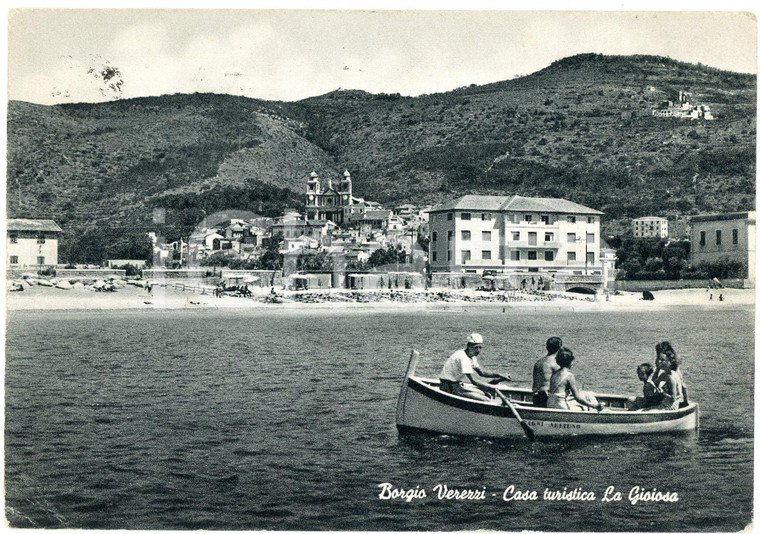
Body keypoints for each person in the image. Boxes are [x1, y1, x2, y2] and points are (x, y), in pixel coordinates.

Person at [440, 333, 511, 402]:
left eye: (480, 347)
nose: (478, 350)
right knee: (485, 399)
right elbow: (474, 381)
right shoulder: (463, 358)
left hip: (457, 385)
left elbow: (482, 373)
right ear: (469, 347)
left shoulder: (471, 356)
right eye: (476, 347)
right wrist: (492, 387)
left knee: (485, 394)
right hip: (448, 387)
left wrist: (499, 375)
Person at [531, 336, 562, 407]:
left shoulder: (539, 362)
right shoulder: (555, 363)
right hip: (546, 398)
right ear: (559, 348)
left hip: (536, 397)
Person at [653, 346, 685, 410]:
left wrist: (662, 393)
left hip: (670, 406)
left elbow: (673, 398)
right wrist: (657, 369)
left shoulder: (671, 377)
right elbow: (654, 383)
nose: (659, 362)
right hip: (665, 404)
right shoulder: (664, 374)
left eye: (662, 360)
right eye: (659, 359)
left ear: (670, 362)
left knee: (644, 411)